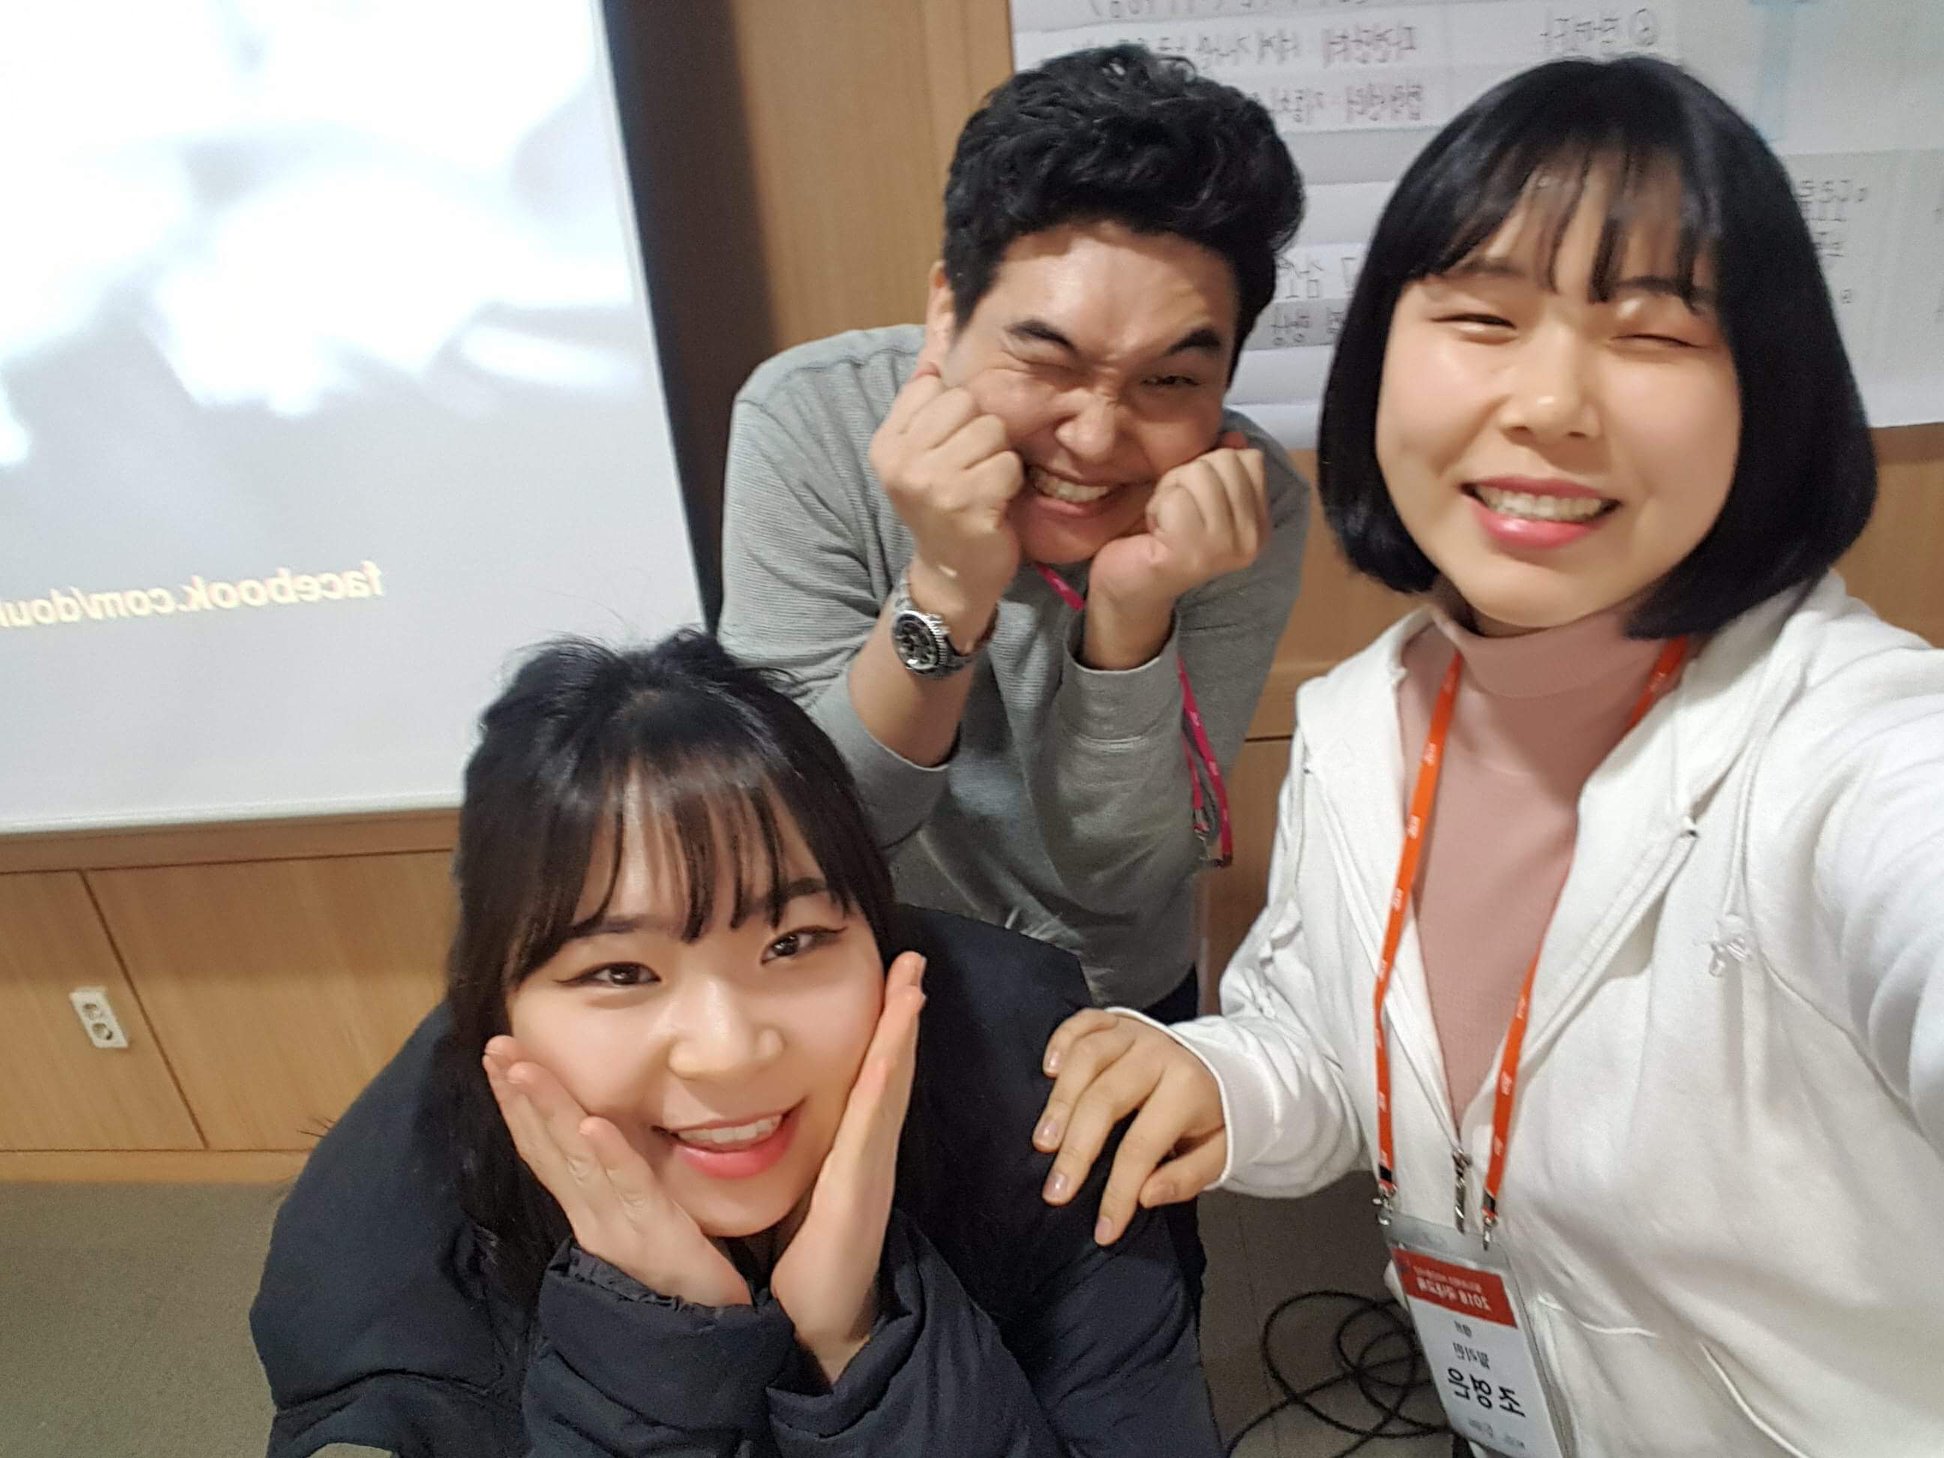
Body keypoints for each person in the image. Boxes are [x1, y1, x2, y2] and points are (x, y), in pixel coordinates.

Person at [1029, 55, 1944, 1456]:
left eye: (1653, 334)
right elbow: (1326, 1040)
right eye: (1481, 317)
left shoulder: (1849, 749)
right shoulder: (1361, 719)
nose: (1551, 402)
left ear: (1768, 392)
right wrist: (1220, 1077)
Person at [250, 632, 1220, 1457]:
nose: (728, 1052)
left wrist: (865, 1341)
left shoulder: (1040, 1098)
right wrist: (655, 1360)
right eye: (619, 973)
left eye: (792, 944)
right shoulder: (375, 1286)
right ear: (498, 1006)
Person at [717, 44, 1309, 1025]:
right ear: (947, 309)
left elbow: (1119, 877)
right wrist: (948, 586)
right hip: (862, 984)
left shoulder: (1239, 507)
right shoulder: (810, 422)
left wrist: (1132, 620)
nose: (1096, 437)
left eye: (1170, 380)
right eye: (1047, 360)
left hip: (1110, 1002)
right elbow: (801, 842)